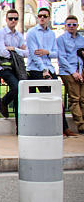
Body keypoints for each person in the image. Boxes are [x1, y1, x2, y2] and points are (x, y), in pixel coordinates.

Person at [26, 7, 77, 137]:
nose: (42, 18)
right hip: (37, 70)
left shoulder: (52, 34)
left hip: (50, 69)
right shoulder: (31, 33)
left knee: (57, 100)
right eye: (40, 16)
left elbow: (56, 53)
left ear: (49, 18)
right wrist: (44, 70)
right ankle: (56, 128)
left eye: (45, 16)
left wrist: (47, 52)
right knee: (48, 99)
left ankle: (63, 128)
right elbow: (33, 54)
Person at [0, 9, 28, 127]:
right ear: (6, 19)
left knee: (20, 93)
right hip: (3, 67)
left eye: (15, 18)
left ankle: (20, 126)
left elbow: (26, 53)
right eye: (10, 18)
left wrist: (13, 49)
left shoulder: (19, 35)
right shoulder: (0, 34)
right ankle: (4, 101)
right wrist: (17, 51)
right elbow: (2, 52)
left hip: (16, 68)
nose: (13, 21)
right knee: (17, 87)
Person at [57, 15, 84, 134]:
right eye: (69, 25)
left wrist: (81, 72)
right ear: (65, 26)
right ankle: (81, 125)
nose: (72, 27)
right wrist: (73, 72)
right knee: (75, 98)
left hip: (81, 70)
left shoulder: (81, 39)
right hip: (68, 71)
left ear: (77, 26)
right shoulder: (61, 39)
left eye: (74, 24)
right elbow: (61, 58)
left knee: (83, 99)